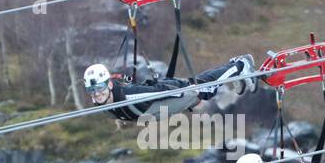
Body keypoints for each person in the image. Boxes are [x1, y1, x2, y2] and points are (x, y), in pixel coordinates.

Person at [83, 55, 257, 122]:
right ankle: (234, 68)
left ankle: (241, 66)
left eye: (100, 88)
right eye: (92, 90)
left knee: (204, 90)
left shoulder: (130, 96)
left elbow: (159, 91)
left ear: (109, 84)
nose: (97, 93)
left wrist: (186, 91)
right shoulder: (101, 102)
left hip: (168, 95)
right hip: (155, 109)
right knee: (202, 85)